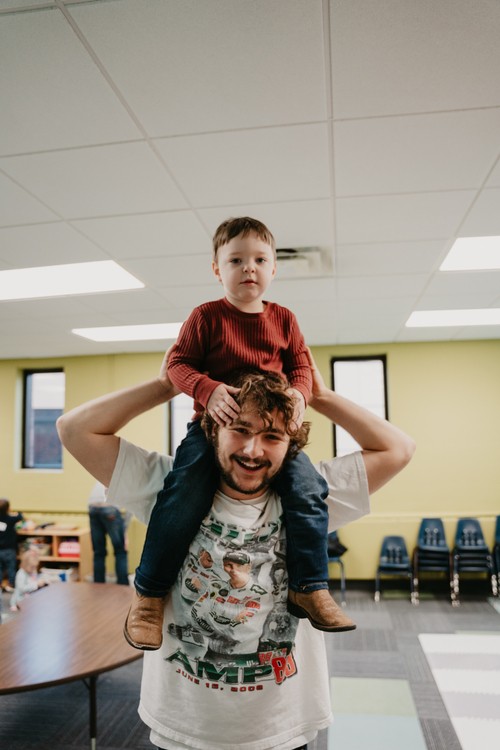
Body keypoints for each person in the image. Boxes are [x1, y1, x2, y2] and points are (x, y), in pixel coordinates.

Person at [56, 349, 415, 750]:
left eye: (272, 436)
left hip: (280, 729)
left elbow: (398, 448)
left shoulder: (310, 499)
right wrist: (164, 386)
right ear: (213, 429)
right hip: (184, 728)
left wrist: (322, 395)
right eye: (239, 429)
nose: (252, 450)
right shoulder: (167, 488)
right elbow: (74, 429)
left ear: (290, 444)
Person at [129, 216, 351, 650]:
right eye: (236, 260)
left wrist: (300, 394)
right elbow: (178, 365)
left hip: (270, 430)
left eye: (260, 260)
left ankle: (310, 586)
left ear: (274, 268)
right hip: (213, 430)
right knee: (182, 492)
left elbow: (302, 368)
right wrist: (206, 389)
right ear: (217, 269)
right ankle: (149, 594)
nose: (249, 267)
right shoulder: (205, 316)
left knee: (308, 490)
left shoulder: (284, 319)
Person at [88, 481, 129, 585]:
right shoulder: (126, 478)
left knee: (98, 552)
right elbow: (130, 509)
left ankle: (98, 586)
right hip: (110, 507)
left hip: (92, 507)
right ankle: (123, 586)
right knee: (120, 551)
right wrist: (125, 534)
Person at [0, 498, 23, 593]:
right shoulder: (10, 519)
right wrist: (16, 512)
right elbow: (20, 516)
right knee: (11, 567)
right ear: (8, 508)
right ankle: (11, 584)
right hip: (9, 549)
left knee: (0, 568)